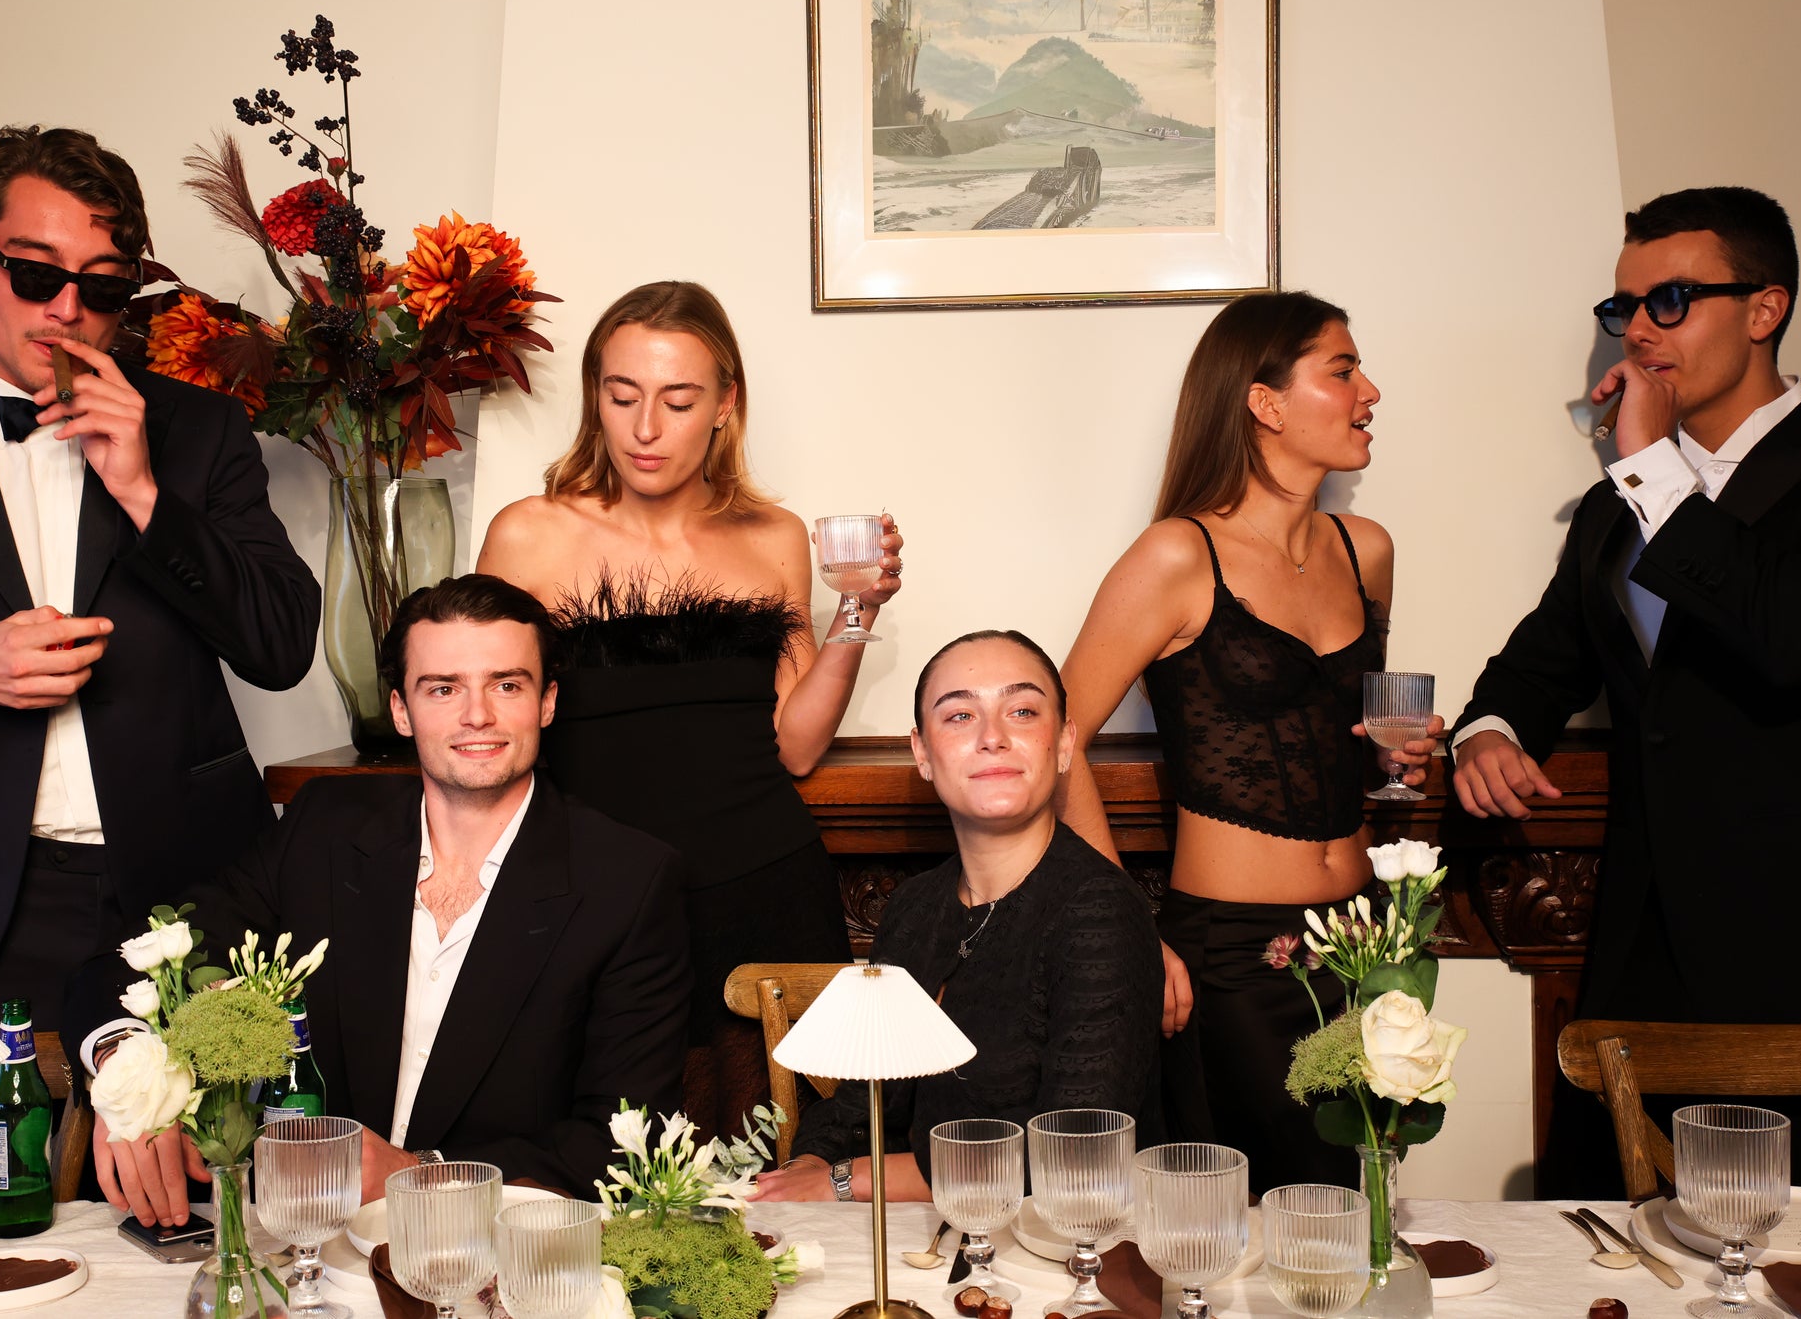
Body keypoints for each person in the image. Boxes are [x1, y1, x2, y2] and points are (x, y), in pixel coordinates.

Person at [0, 125, 319, 1195]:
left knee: (207, 1221)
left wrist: (147, 492)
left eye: (102, 289)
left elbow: (281, 645)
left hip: (185, 892)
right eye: (35, 274)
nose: (66, 310)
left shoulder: (199, 433)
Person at [1451, 187, 1801, 1192]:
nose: (1634, 330)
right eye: (1622, 307)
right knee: (1607, 1250)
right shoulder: (1617, 503)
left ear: (1762, 309)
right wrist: (1487, 729)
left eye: (1667, 300)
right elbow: (1544, 656)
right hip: (1638, 947)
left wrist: (1647, 469)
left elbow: (1795, 638)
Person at [89, 575, 692, 1222]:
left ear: (547, 702)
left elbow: (624, 1145)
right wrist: (129, 1069)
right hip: (310, 1246)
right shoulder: (324, 827)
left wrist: (419, 1174)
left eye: (507, 684)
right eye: (443, 688)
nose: (477, 714)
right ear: (401, 709)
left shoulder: (628, 879)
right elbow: (152, 948)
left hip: (495, 1251)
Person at [476, 280, 902, 1139]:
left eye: (677, 400)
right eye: (621, 395)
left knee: (780, 1162)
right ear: (595, 392)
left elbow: (796, 746)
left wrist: (858, 609)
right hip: (596, 897)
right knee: (602, 1160)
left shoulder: (773, 535)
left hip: (763, 890)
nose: (643, 428)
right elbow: (482, 712)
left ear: (725, 404)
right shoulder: (529, 533)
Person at [1056, 292, 1440, 1191]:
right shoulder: (1177, 556)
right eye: (1342, 370)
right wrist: (1127, 933)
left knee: (1356, 1214)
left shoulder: (1367, 549)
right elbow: (1056, 737)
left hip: (1367, 942)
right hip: (1230, 958)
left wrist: (1402, 755)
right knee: (1257, 1228)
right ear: (1265, 402)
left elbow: (1335, 737)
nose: (1369, 390)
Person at [752, 631, 1162, 1203]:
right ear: (921, 753)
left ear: (1064, 743)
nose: (992, 738)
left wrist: (844, 1182)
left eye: (1022, 711)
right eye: (960, 716)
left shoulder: (1100, 910)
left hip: (1058, 1252)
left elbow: (1070, 1154)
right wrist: (805, 1169)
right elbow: (862, 1101)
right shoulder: (917, 905)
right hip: (930, 1237)